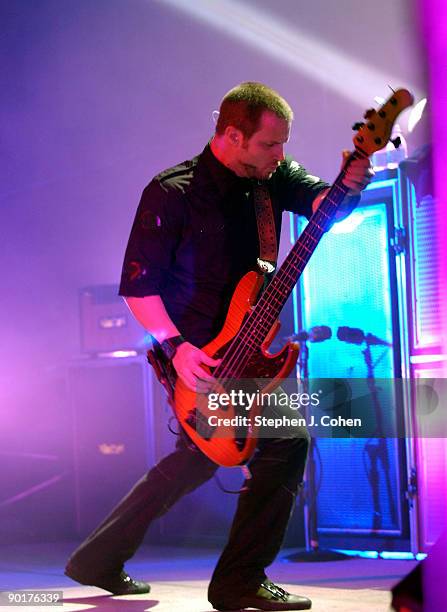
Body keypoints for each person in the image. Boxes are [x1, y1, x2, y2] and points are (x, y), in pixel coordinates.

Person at [65, 82, 373, 611]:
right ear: (232, 135)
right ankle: (236, 580)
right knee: (277, 444)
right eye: (269, 145)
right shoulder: (172, 191)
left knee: (212, 457)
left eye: (283, 145)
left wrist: (348, 185)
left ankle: (105, 558)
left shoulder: (273, 178)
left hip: (253, 352)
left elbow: (325, 207)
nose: (280, 156)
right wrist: (177, 347)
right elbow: (139, 287)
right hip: (196, 357)